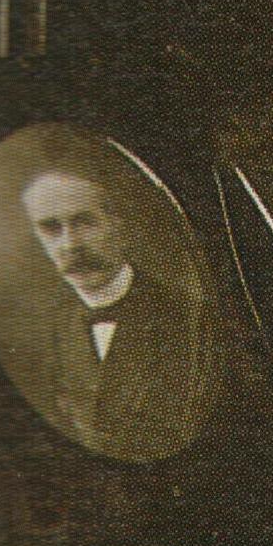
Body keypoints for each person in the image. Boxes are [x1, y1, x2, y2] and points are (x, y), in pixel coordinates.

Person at [19, 161, 216, 463]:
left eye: (85, 222)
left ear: (120, 226)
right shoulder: (44, 329)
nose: (70, 244)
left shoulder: (190, 317)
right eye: (51, 228)